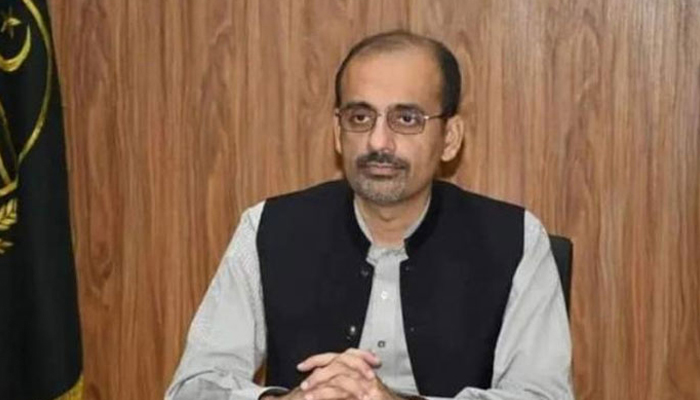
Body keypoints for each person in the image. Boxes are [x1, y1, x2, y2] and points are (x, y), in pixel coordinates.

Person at [165, 30, 574, 400]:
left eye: (406, 119)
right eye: (360, 117)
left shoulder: (516, 240)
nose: (379, 142)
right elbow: (192, 389)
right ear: (337, 133)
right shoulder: (268, 229)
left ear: (450, 138)